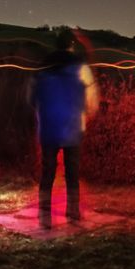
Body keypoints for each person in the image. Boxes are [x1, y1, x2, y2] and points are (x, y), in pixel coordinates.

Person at [29, 28, 99, 228]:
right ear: (72, 45)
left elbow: (30, 98)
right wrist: (87, 114)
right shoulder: (81, 68)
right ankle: (73, 214)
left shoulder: (42, 67)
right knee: (72, 173)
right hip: (73, 126)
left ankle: (44, 217)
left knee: (48, 172)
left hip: (48, 126)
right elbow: (92, 99)